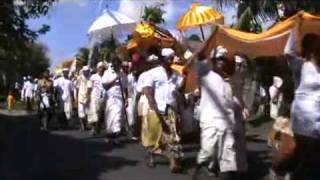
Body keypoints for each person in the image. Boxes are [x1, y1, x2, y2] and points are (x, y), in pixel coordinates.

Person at [186, 45, 239, 180]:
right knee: (207, 152)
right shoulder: (205, 74)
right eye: (218, 59)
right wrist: (210, 41)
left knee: (228, 158)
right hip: (210, 121)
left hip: (226, 123)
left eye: (223, 59)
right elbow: (199, 55)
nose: (221, 62)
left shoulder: (228, 82)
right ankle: (198, 171)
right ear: (213, 61)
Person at [277, 14, 320, 179]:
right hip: (302, 127)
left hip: (316, 128)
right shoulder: (300, 66)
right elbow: (288, 51)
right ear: (308, 50)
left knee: (310, 168)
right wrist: (297, 25)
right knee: (306, 167)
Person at [141, 48, 184, 173]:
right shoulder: (153, 73)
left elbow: (180, 90)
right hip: (157, 109)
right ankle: (151, 154)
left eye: (172, 57)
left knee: (173, 136)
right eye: (168, 58)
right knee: (155, 137)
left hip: (171, 109)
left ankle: (174, 161)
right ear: (162, 59)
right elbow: (148, 92)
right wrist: (153, 107)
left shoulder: (176, 75)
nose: (171, 60)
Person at [102, 57, 128, 143]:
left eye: (118, 64)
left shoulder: (123, 75)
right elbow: (105, 86)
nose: (117, 66)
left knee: (117, 116)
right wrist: (114, 81)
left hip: (119, 99)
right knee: (109, 117)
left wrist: (126, 98)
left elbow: (125, 88)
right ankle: (109, 135)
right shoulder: (107, 73)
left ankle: (116, 136)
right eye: (115, 65)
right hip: (110, 98)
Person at [87, 62, 106, 136]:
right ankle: (93, 128)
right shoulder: (93, 77)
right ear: (97, 68)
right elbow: (89, 87)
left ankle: (98, 128)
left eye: (103, 68)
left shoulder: (106, 76)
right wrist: (88, 97)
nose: (102, 69)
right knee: (94, 113)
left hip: (104, 97)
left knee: (101, 114)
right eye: (100, 67)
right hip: (94, 97)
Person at [76, 66, 91, 131]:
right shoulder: (79, 78)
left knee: (87, 112)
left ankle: (86, 125)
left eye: (87, 71)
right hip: (81, 96)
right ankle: (83, 126)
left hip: (88, 97)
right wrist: (76, 97)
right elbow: (77, 88)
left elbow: (90, 88)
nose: (86, 72)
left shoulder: (91, 78)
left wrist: (89, 96)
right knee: (81, 112)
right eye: (85, 71)